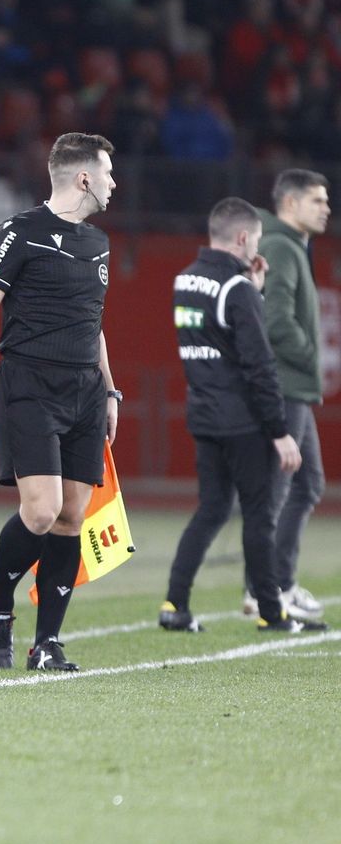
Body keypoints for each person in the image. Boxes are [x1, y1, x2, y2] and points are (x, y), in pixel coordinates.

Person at [0, 132, 120, 672]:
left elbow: (94, 324)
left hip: (86, 390)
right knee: (39, 512)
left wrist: (109, 389)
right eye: (108, 173)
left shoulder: (98, 243)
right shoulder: (16, 233)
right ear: (84, 177)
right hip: (30, 385)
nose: (115, 183)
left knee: (71, 517)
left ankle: (48, 645)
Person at [160, 198, 325, 634]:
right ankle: (273, 612)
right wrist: (280, 431)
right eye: (254, 239)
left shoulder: (185, 280)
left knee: (211, 510)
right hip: (244, 421)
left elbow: (214, 339)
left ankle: (174, 603)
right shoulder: (239, 290)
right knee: (259, 516)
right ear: (241, 238)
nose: (256, 247)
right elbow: (259, 365)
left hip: (203, 412)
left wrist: (252, 287)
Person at [250, 169, 332, 622]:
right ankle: (269, 589)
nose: (326, 208)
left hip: (294, 384)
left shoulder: (290, 244)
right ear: (291, 204)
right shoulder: (282, 245)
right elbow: (276, 319)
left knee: (305, 484)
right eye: (317, 200)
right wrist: (309, 356)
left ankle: (276, 581)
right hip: (287, 385)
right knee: (283, 489)